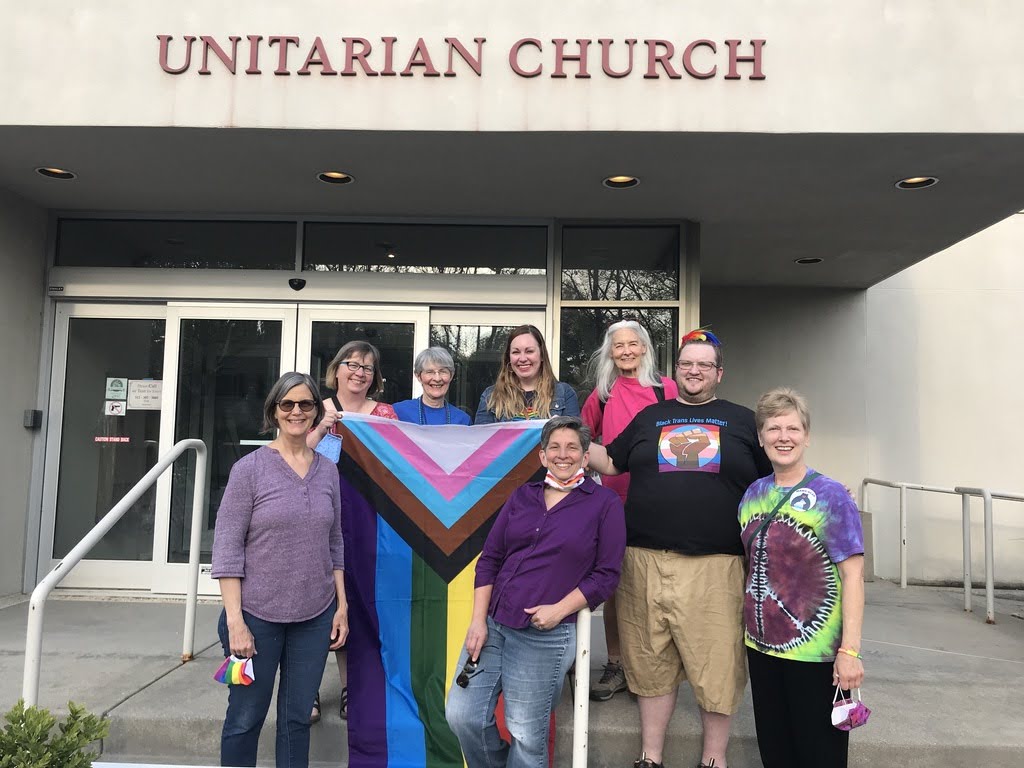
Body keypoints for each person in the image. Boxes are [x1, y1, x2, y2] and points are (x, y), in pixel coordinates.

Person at [586, 329, 772, 768]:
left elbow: (775, 477)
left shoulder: (743, 421)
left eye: (704, 365)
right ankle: (650, 757)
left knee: (717, 667)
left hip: (716, 566)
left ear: (719, 373)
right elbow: (610, 460)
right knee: (650, 665)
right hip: (643, 562)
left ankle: (713, 760)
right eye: (687, 363)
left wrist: (819, 490)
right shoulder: (651, 416)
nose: (694, 371)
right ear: (676, 369)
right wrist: (557, 436)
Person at [446, 416, 626, 768]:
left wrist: (560, 610)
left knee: (527, 735)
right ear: (542, 456)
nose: (563, 454)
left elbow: (606, 575)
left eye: (572, 447)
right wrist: (478, 621)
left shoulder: (604, 504)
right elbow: (490, 559)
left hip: (546, 636)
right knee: (462, 715)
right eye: (554, 447)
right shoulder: (522, 496)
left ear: (585, 457)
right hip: (494, 625)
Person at [211, 371, 347, 768]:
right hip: (256, 618)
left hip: (315, 617)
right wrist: (236, 622)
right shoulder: (249, 470)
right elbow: (227, 549)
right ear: (274, 411)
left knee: (297, 720)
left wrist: (341, 606)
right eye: (287, 404)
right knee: (245, 719)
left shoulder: (328, 470)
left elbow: (335, 542)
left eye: (306, 404)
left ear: (316, 411)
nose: (296, 411)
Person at [739, 388, 865, 768]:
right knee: (775, 754)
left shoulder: (831, 495)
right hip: (762, 650)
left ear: (806, 436)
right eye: (773, 428)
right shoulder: (752, 494)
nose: (784, 437)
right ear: (761, 437)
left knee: (818, 755)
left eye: (793, 428)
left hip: (816, 656)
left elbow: (853, 576)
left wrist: (849, 652)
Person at [579, 319, 678, 703]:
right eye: (618, 345)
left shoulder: (666, 390)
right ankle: (617, 664)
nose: (625, 351)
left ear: (644, 347)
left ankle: (650, 670)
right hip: (615, 504)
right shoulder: (603, 394)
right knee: (617, 588)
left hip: (661, 502)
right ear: (610, 352)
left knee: (656, 587)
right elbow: (580, 440)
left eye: (632, 344)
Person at [307, 340, 398, 724]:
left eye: (367, 367)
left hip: (367, 521)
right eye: (353, 364)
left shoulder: (385, 414)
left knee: (356, 605)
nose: (359, 373)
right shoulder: (316, 407)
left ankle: (350, 689)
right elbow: (296, 453)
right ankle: (306, 690)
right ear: (337, 369)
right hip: (318, 517)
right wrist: (322, 426)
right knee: (314, 603)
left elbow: (396, 465)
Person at [474, 324, 579, 424]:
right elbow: (481, 436)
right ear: (508, 358)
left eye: (529, 351)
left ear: (542, 355)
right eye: (516, 352)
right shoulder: (490, 396)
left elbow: (574, 435)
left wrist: (557, 429)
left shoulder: (565, 393)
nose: (523, 359)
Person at [393, 347, 471, 425]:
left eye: (443, 371)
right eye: (430, 372)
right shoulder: (397, 413)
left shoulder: (463, 420)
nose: (437, 379)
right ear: (418, 376)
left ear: (451, 376)